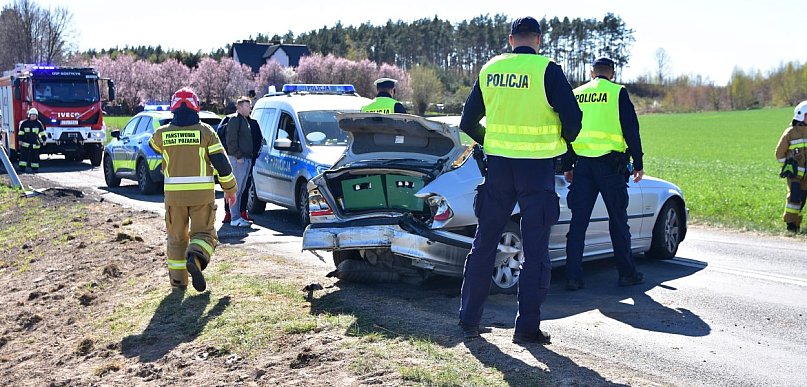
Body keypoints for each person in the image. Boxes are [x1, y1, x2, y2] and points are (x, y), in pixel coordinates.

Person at [457, 16, 582, 345]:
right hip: (537, 169)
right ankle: (526, 328)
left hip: (498, 168)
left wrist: (490, 142)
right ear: (538, 39)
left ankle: (469, 320)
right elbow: (574, 122)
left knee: (484, 244)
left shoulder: (490, 69)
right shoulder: (548, 70)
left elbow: (468, 121)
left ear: (511, 39)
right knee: (535, 250)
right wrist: (562, 141)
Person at [563, 57, 645, 291]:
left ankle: (573, 277)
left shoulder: (577, 93)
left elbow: (568, 131)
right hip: (611, 167)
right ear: (612, 72)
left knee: (578, 223)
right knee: (618, 221)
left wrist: (568, 165)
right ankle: (627, 274)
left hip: (583, 166)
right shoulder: (617, 92)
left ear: (591, 73)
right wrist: (638, 162)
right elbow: (631, 129)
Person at [148, 88, 238, 292]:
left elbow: (152, 145)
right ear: (196, 107)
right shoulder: (206, 132)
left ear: (173, 108)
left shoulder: (162, 134)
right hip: (201, 197)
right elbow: (222, 164)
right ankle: (195, 260)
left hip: (174, 199)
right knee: (205, 235)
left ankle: (178, 283)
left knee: (176, 239)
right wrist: (230, 189)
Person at [775, 100, 807, 232]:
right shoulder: (790, 132)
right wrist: (787, 167)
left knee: (802, 200)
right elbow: (779, 153)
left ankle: (797, 224)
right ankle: (790, 224)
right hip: (794, 175)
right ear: (800, 115)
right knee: (793, 199)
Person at [225, 96, 254, 227]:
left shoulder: (244, 120)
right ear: (240, 107)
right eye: (247, 106)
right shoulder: (235, 120)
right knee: (235, 190)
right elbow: (231, 140)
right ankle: (234, 218)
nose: (250, 108)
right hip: (238, 160)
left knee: (241, 190)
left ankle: (237, 217)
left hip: (245, 159)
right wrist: (238, 156)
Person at [17, 108, 45, 173]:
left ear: (36, 116)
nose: (33, 116)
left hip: (35, 144)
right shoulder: (24, 123)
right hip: (25, 143)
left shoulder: (38, 124)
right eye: (32, 115)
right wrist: (20, 140)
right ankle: (22, 169)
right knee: (23, 157)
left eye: (34, 115)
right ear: (29, 115)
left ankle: (35, 169)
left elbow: (42, 133)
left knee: (35, 157)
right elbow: (21, 133)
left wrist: (44, 140)